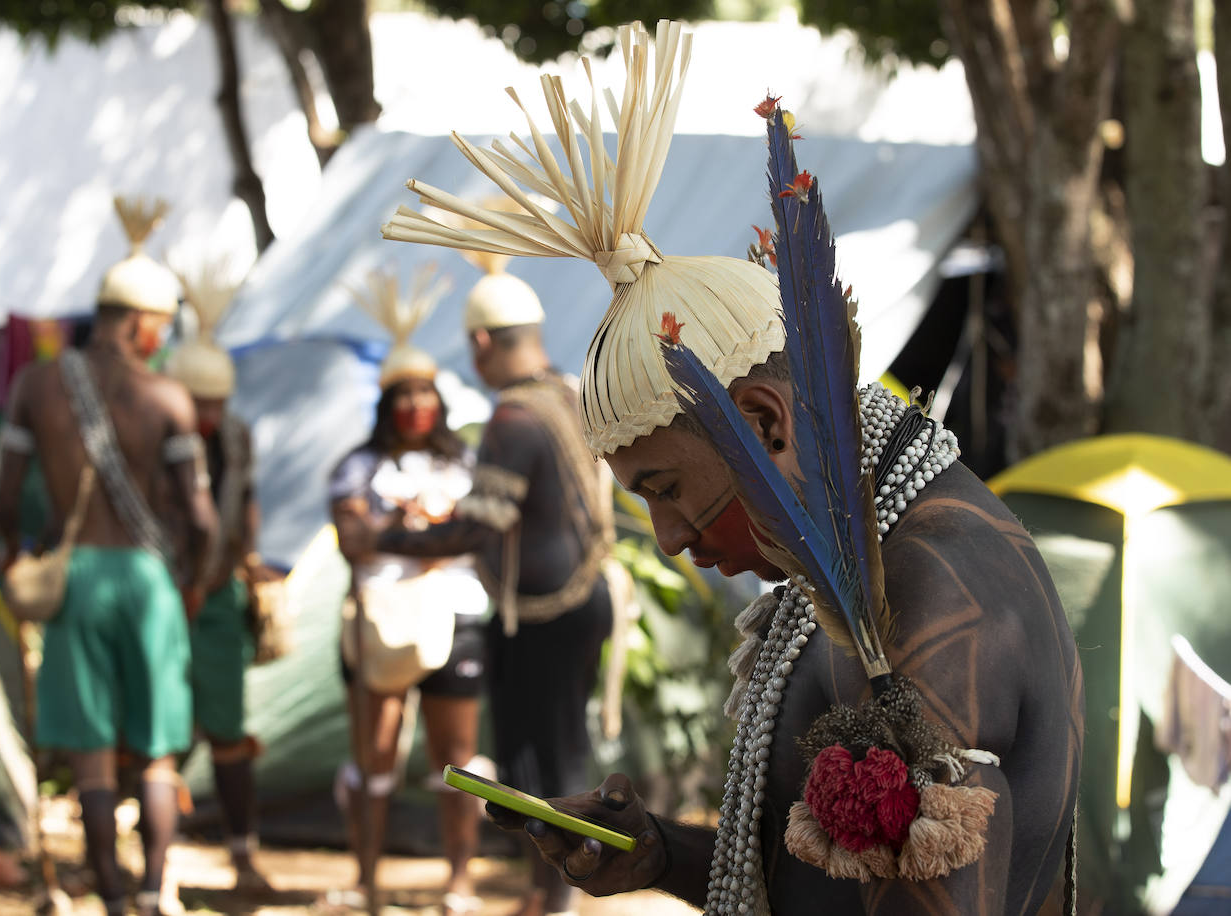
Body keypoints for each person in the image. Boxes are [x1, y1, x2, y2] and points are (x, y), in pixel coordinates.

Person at [381, 21, 1083, 915]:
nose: (669, 539)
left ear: (762, 421)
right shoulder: (870, 539)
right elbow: (829, 889)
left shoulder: (917, 603)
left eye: (667, 491)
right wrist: (662, 854)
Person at [0, 196, 218, 916]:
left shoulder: (36, 385)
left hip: (76, 577)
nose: (160, 339)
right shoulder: (170, 399)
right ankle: (154, 890)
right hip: (150, 584)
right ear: (141, 324)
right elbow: (202, 519)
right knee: (152, 752)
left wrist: (10, 552)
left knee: (89, 753)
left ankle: (112, 899)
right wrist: (194, 585)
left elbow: (3, 492)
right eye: (159, 327)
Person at [329, 268, 493, 916]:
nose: (415, 405)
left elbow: (476, 537)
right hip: (380, 624)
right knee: (374, 756)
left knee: (456, 758)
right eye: (404, 394)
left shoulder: (467, 464)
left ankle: (460, 881)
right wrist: (424, 530)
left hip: (458, 620)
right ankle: (366, 880)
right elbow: (351, 540)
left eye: (425, 392)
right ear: (385, 401)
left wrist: (392, 532)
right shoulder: (358, 465)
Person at [164, 258, 271, 890]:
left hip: (217, 593)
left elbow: (245, 499)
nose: (208, 414)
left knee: (229, 729)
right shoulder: (155, 434)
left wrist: (246, 557)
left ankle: (242, 854)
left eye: (216, 403)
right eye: (198, 403)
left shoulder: (235, 436)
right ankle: (161, 859)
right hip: (165, 595)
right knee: (162, 731)